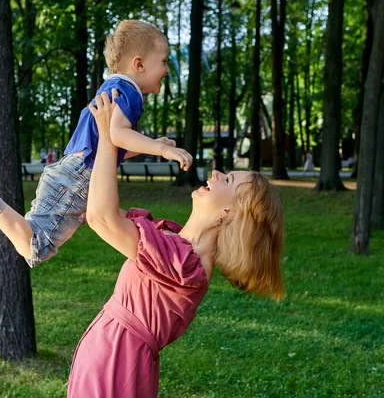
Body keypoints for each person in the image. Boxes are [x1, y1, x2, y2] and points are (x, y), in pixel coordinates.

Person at [67, 91, 284, 397]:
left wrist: (107, 137)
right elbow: (99, 210)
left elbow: (102, 218)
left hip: (116, 362)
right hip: (109, 354)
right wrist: (126, 144)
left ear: (229, 213)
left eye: (228, 180)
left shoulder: (184, 264)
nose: (216, 174)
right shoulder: (174, 241)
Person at [0, 19, 193, 267]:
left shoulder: (113, 88)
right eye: (164, 61)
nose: (167, 69)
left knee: (50, 234)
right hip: (78, 179)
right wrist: (161, 149)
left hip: (74, 172)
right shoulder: (128, 92)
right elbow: (118, 135)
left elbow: (111, 147)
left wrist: (152, 143)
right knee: (35, 246)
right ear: (139, 64)